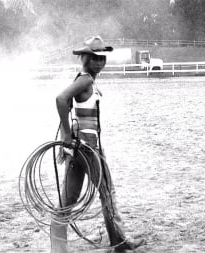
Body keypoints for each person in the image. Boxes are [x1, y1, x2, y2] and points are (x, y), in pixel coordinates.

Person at [51, 36, 145, 252]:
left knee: (69, 199)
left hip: (79, 150)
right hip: (89, 150)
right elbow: (60, 99)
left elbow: (67, 104)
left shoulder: (86, 79)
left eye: (102, 58)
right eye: (95, 58)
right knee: (107, 194)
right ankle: (120, 243)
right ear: (85, 59)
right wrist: (66, 133)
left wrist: (70, 137)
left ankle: (58, 248)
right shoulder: (85, 81)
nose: (100, 62)